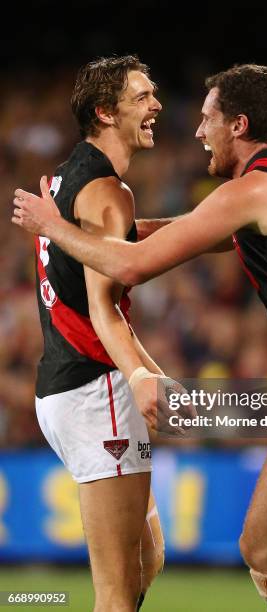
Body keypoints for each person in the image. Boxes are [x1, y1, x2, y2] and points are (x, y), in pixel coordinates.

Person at [13, 63, 267, 610]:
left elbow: (132, 267)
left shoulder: (249, 190)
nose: (198, 131)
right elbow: (186, 232)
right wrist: (105, 227)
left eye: (208, 120)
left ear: (238, 125)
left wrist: (52, 226)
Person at [11, 54, 194, 612]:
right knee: (116, 593)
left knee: (146, 559)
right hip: (97, 392)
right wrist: (143, 374)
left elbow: (128, 245)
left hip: (66, 389)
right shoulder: (109, 192)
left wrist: (225, 230)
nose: (156, 104)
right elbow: (101, 306)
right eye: (141, 97)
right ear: (104, 112)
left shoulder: (69, 181)